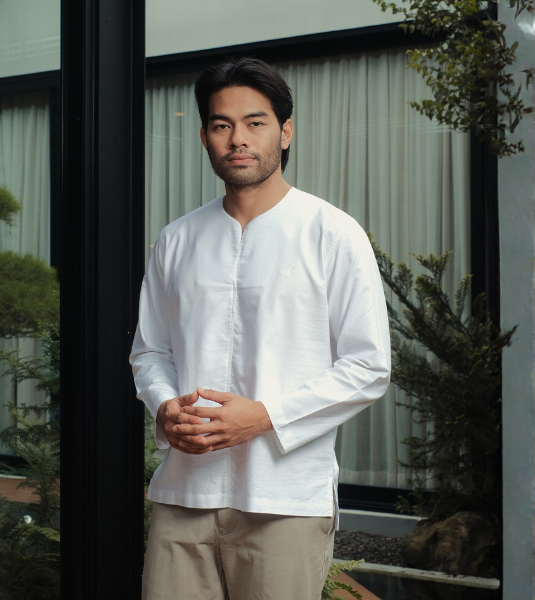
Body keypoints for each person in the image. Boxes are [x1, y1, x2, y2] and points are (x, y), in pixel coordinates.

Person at [129, 57, 391, 600]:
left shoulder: (333, 233)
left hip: (285, 499)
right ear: (205, 137)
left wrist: (265, 417)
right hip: (183, 492)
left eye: (255, 122)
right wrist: (164, 406)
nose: (238, 139)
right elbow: (150, 351)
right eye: (222, 125)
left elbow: (368, 366)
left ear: (285, 131)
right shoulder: (176, 240)